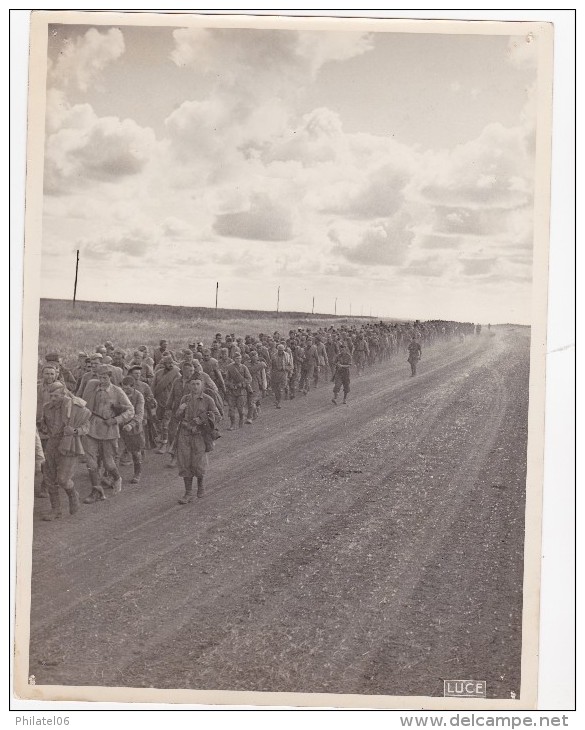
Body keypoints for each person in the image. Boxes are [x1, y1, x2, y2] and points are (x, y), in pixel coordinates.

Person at [82, 365, 134, 502]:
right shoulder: (92, 388)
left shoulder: (117, 392)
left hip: (109, 429)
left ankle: (117, 477)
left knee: (108, 463)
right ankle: (96, 491)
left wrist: (116, 420)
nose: (102, 380)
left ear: (110, 377)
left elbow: (130, 410)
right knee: (91, 461)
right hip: (92, 427)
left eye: (105, 377)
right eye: (100, 377)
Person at [40, 381, 91, 521]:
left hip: (69, 444)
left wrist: (75, 431)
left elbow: (86, 426)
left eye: (56, 396)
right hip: (52, 444)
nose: (53, 399)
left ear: (63, 394)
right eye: (51, 395)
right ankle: (56, 510)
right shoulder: (47, 408)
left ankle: (73, 494)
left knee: (63, 479)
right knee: (49, 479)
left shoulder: (75, 408)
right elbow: (44, 425)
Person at [173, 379, 220, 504]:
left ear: (202, 385)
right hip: (184, 434)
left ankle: (201, 487)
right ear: (189, 385)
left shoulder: (207, 399)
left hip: (199, 435)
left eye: (197, 384)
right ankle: (188, 493)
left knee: (198, 462)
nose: (195, 386)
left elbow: (217, 415)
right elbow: (177, 418)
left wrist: (202, 419)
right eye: (192, 384)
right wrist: (180, 410)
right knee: (184, 462)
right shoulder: (185, 399)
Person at [151, 353, 181, 453]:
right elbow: (153, 387)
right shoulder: (158, 373)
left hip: (170, 403)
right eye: (168, 363)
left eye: (171, 362)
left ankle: (164, 445)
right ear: (163, 363)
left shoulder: (176, 374)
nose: (170, 365)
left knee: (165, 424)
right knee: (158, 422)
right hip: (159, 402)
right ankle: (166, 439)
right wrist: (152, 399)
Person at [120, 377, 145, 484]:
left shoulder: (139, 396)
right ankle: (112, 476)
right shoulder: (120, 394)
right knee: (115, 452)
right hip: (120, 427)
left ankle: (137, 473)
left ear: (133, 387)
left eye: (128, 389)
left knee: (135, 452)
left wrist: (131, 424)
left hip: (133, 428)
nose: (125, 391)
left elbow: (140, 414)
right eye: (124, 388)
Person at [225, 353, 252, 429]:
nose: (238, 360)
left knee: (240, 409)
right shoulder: (230, 368)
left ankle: (241, 420)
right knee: (231, 409)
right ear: (234, 359)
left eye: (240, 358)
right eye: (237, 358)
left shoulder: (244, 367)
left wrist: (242, 384)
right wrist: (230, 385)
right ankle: (232, 424)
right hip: (232, 391)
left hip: (241, 392)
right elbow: (226, 380)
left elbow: (249, 379)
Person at [270, 343, 292, 409]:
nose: (280, 351)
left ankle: (278, 402)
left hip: (283, 374)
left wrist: (286, 369)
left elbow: (290, 365)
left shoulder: (287, 356)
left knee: (280, 388)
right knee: (276, 389)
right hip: (275, 374)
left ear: (283, 350)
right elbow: (271, 365)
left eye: (281, 350)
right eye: (279, 350)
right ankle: (277, 400)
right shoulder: (273, 356)